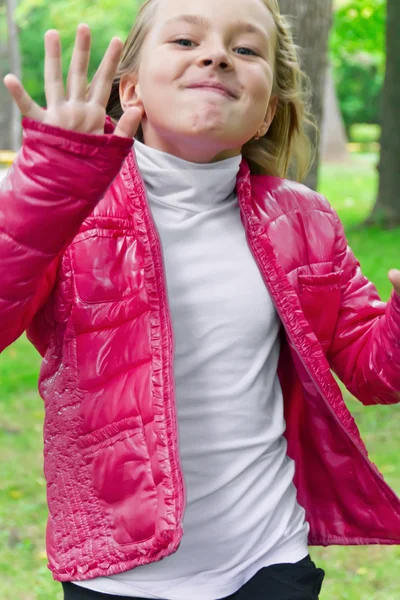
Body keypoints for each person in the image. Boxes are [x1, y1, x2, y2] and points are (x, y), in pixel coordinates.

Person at [2, 0, 400, 598]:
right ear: (130, 89)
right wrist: (57, 180)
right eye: (186, 41)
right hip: (120, 575)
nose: (216, 55)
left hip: (270, 563)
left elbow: (376, 373)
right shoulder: (62, 206)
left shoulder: (304, 217)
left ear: (266, 112)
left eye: (245, 49)